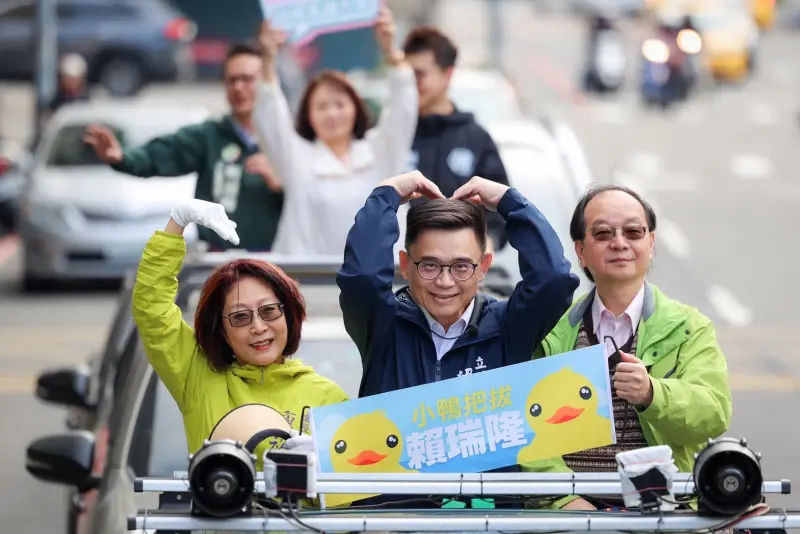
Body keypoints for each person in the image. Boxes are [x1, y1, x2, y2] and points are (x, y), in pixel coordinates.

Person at [336, 171, 579, 508]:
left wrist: (509, 202)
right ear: (405, 265)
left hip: (485, 525)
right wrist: (386, 195)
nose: (446, 282)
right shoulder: (383, 326)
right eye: (430, 266)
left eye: (462, 266)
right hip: (388, 524)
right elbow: (362, 277)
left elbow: (554, 279)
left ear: (484, 268)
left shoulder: (509, 327)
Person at [523, 184, 732, 511]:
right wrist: (566, 502)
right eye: (603, 233)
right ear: (580, 250)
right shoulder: (551, 332)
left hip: (664, 512)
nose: (619, 243)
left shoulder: (689, 328)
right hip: (574, 518)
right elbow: (530, 436)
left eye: (633, 232)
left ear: (650, 244)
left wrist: (653, 393)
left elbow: (713, 414)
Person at [131, 198, 348, 457]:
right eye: (240, 317)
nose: (258, 327)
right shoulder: (199, 379)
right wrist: (177, 223)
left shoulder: (328, 398)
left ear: (288, 315)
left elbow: (355, 486)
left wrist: (325, 460)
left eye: (269, 311)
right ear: (221, 330)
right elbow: (152, 309)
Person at [83, 44, 284, 252]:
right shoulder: (209, 136)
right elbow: (162, 153)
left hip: (274, 261)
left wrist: (282, 185)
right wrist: (123, 157)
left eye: (247, 79)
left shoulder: (285, 140)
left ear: (265, 83)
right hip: (219, 263)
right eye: (232, 80)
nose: (239, 87)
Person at [253, 7, 418, 256]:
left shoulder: (381, 152)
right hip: (310, 283)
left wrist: (391, 54)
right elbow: (269, 117)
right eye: (321, 106)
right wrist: (267, 60)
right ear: (308, 116)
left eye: (340, 104)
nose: (332, 114)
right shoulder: (297, 158)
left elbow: (403, 108)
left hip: (382, 284)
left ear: (356, 109)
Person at [401, 26, 511, 252]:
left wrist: (485, 246)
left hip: (459, 271)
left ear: (447, 73)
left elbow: (503, 210)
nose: (412, 83)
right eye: (407, 75)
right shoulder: (393, 136)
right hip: (396, 271)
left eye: (420, 74)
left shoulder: (475, 138)